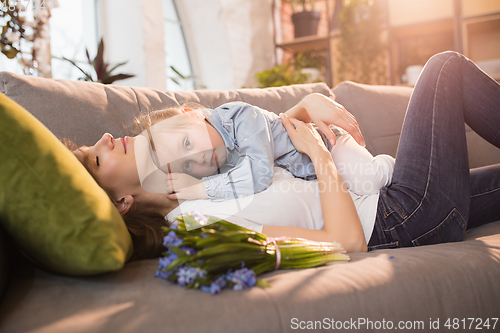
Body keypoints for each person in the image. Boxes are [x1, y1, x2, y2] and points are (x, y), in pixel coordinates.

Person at [74, 51, 500, 260]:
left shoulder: (195, 176)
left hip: (397, 204)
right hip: (401, 220)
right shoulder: (201, 226)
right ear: (120, 203)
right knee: (444, 68)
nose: (107, 137)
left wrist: (304, 109)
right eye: (97, 158)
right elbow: (346, 241)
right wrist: (320, 154)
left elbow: (266, 150)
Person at [134, 94, 394, 203]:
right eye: (188, 165)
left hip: (329, 144)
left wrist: (200, 190)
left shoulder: (241, 117)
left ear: (193, 114)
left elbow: (259, 174)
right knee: (358, 195)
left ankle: (391, 163)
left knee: (370, 181)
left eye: (188, 143)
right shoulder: (219, 162)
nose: (198, 157)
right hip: (315, 171)